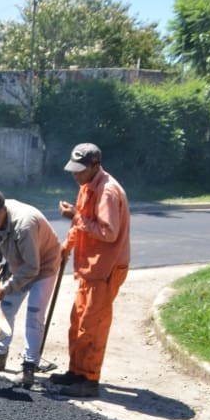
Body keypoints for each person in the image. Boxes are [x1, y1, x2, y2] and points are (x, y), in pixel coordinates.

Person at [53, 142, 131, 397]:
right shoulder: (87, 187)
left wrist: (75, 216)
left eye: (80, 170)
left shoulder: (108, 191)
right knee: (77, 321)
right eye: (73, 170)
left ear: (95, 165)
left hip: (106, 268)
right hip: (90, 267)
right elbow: (82, 223)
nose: (75, 175)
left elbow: (108, 232)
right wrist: (67, 246)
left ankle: (90, 379)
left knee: (92, 325)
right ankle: (76, 372)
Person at [0, 189, 63, 388]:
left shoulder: (25, 225)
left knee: (34, 315)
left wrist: (6, 287)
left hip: (43, 264)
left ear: (3, 211)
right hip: (20, 262)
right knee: (4, 309)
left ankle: (29, 365)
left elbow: (32, 268)